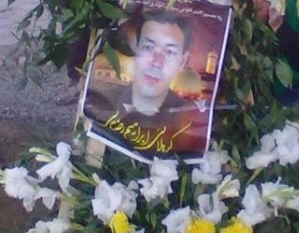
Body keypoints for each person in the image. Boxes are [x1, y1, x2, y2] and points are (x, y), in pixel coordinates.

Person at [83, 10, 209, 159]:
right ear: (135, 50)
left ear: (182, 62)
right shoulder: (102, 101)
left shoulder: (189, 120)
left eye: (169, 52)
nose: (156, 62)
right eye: (148, 47)